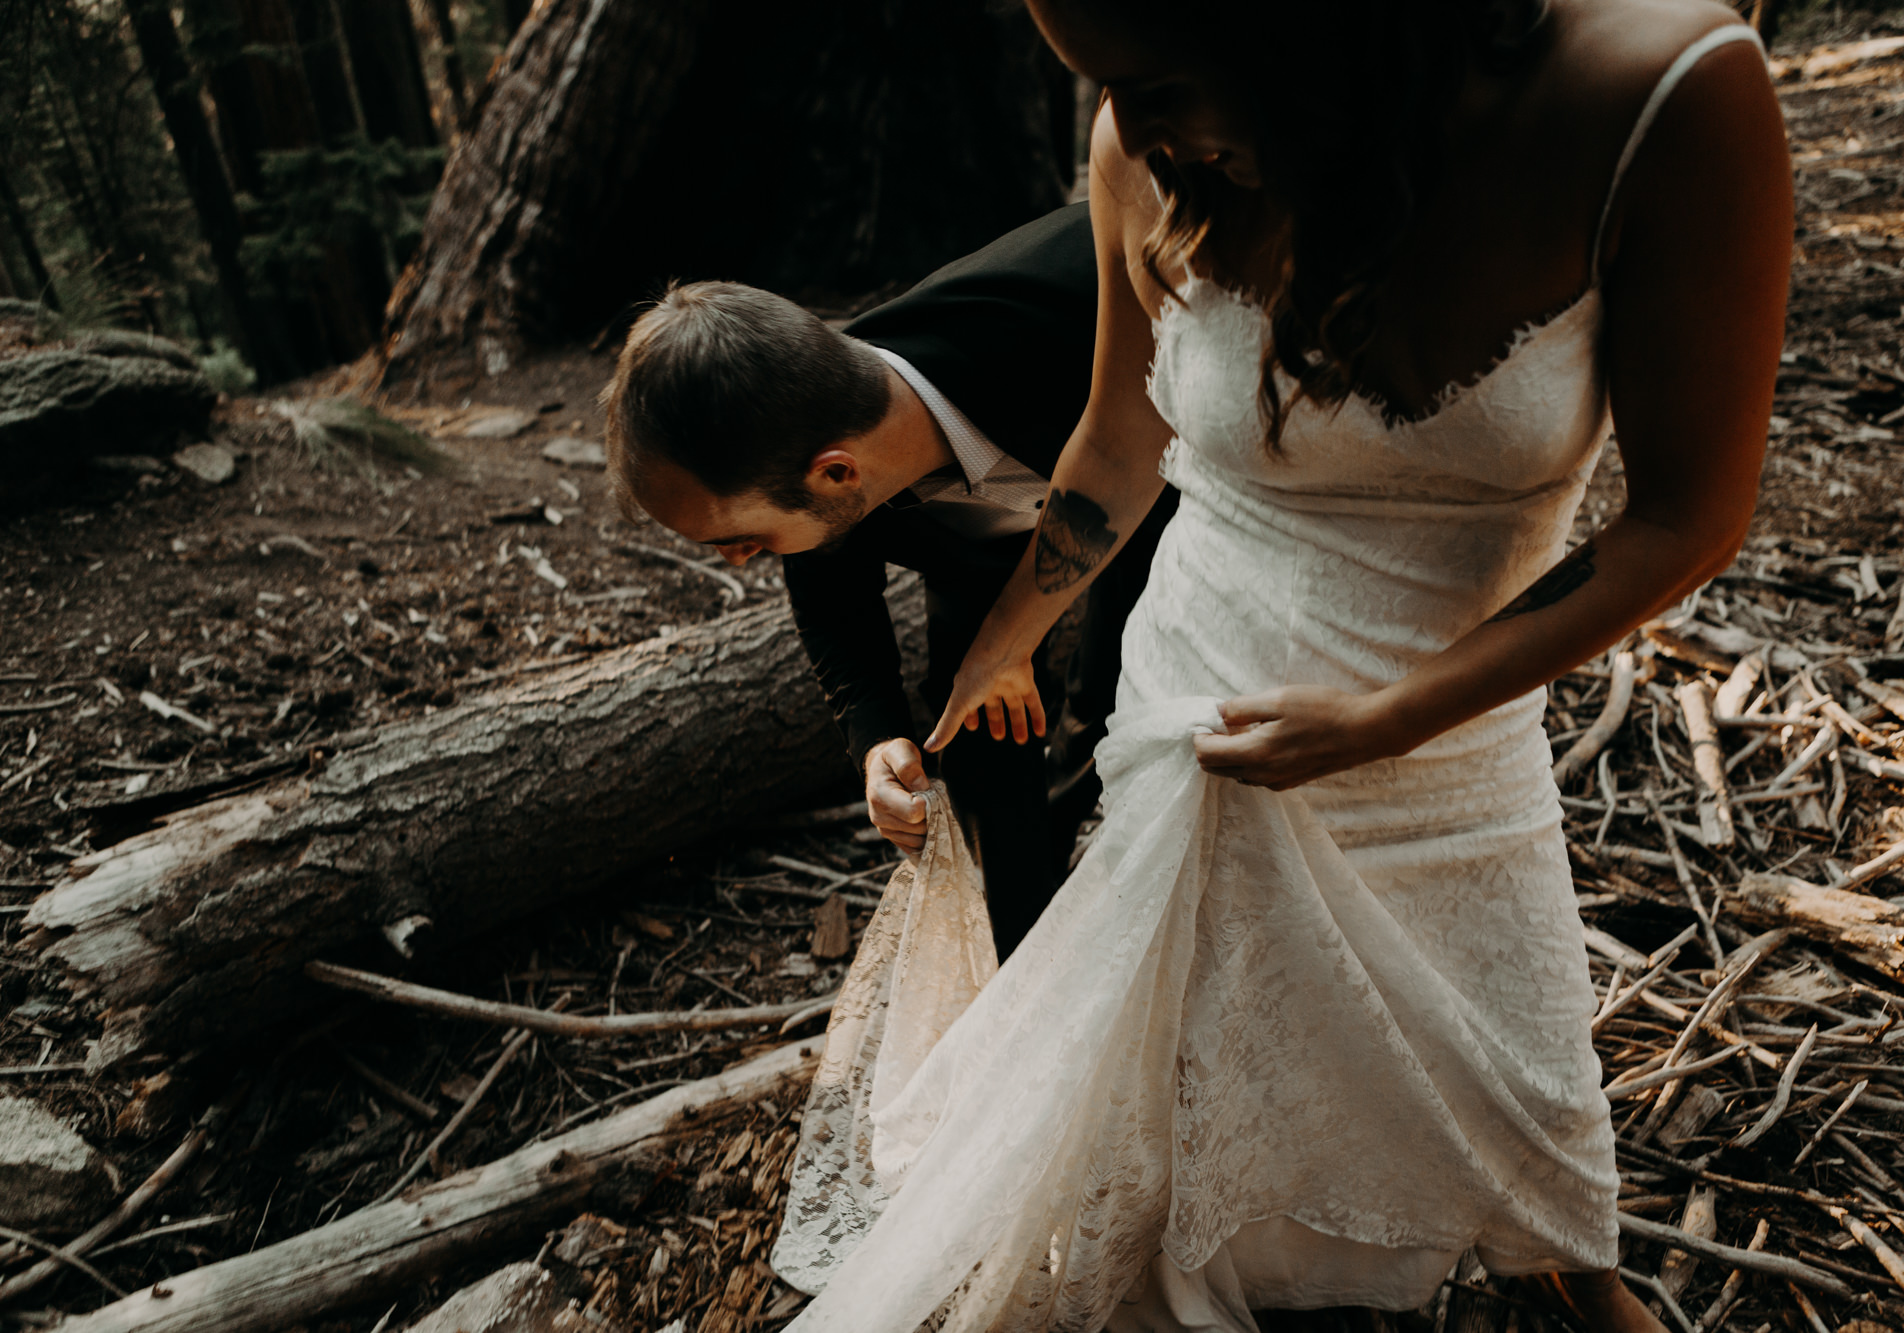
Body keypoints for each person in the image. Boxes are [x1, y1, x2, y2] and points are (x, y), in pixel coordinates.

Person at [772, 0, 1792, 1330]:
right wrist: (1001, 642)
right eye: (1100, 86)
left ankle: (1570, 1283)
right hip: (1198, 681)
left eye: (1159, 74)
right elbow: (1120, 444)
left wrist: (1390, 717)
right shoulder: (1142, 146)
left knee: (1515, 1098)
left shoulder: (1664, 93)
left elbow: (1687, 517)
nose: (1129, 128)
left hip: (1449, 721)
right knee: (1194, 1078)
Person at [602, 203, 1177, 962]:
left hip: (1171, 530)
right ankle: (1027, 972)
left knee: (1116, 714)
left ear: (837, 472)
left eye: (740, 539)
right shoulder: (807, 454)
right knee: (979, 762)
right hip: (978, 577)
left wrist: (1021, 636)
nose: (740, 560)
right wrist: (877, 743)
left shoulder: (1066, 303)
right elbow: (832, 605)